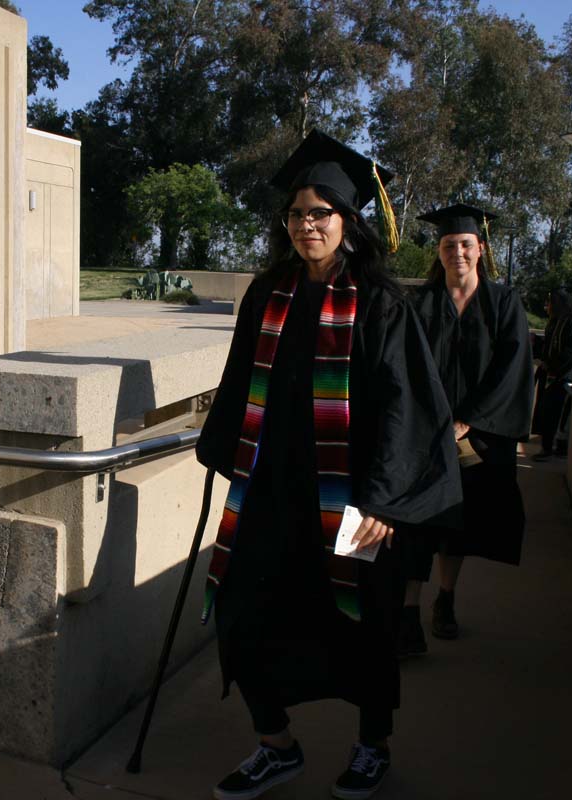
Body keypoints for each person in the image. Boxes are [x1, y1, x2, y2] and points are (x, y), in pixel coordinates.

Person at [195, 130, 460, 800]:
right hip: (271, 495)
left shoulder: (378, 301)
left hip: (352, 503)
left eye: (321, 213)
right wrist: (224, 449)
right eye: (297, 214)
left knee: (363, 625)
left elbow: (407, 405)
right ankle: (275, 745)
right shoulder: (267, 294)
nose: (307, 225)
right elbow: (236, 386)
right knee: (242, 612)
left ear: (347, 221)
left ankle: (372, 745)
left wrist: (383, 502)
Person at [397, 203, 534, 655]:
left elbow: (512, 367)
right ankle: (409, 616)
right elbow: (407, 366)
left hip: (477, 435)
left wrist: (467, 419)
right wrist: (433, 420)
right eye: (448, 245)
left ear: (481, 249)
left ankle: (446, 598)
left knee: (458, 525)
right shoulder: (421, 305)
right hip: (425, 432)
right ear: (438, 253)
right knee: (416, 521)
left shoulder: (503, 303)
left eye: (465, 245)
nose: (457, 252)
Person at [532, 288, 572, 460]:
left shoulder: (570, 324)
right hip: (551, 376)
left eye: (550, 303)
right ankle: (548, 447)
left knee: (557, 415)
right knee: (547, 413)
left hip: (562, 378)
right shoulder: (556, 322)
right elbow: (550, 346)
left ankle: (554, 449)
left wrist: (553, 366)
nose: (547, 306)